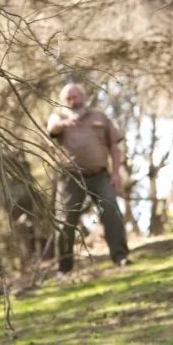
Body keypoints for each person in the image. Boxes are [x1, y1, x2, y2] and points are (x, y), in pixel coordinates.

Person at [46, 82, 131, 273]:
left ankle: (121, 257)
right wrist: (63, 124)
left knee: (111, 211)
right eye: (68, 97)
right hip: (71, 178)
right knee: (66, 219)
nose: (72, 100)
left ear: (83, 97)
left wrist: (116, 173)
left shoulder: (99, 117)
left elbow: (114, 147)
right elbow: (51, 129)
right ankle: (64, 269)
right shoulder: (58, 116)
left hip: (100, 175)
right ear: (63, 100)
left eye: (75, 96)